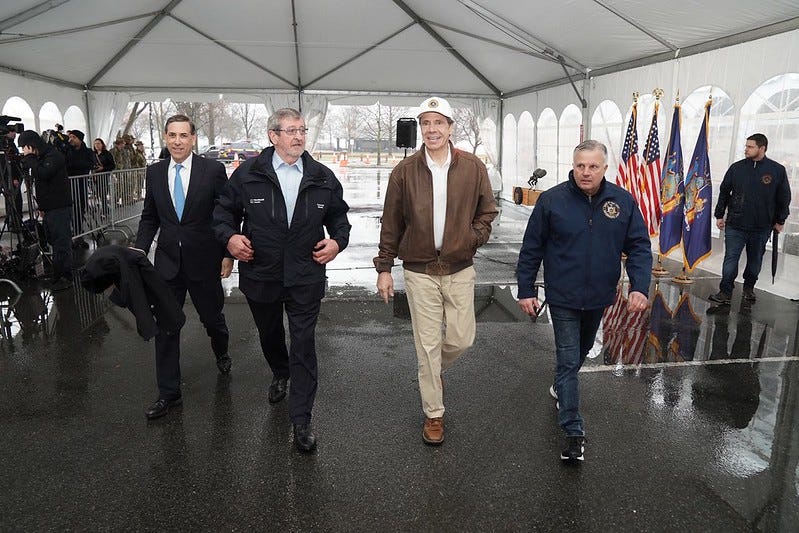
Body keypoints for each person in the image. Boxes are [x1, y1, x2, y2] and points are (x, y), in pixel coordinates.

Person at [213, 108, 351, 452]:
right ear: (273, 136)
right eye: (290, 131)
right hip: (262, 274)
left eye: (302, 130)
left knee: (303, 343)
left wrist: (336, 243)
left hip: (306, 274)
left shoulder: (321, 176)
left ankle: (301, 420)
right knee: (270, 333)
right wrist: (230, 238)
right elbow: (222, 213)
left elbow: (340, 220)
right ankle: (279, 371)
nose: (298, 137)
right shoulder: (248, 175)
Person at [516, 140, 651, 462]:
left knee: (579, 353)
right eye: (580, 165)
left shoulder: (622, 201)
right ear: (573, 165)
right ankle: (574, 431)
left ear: (605, 168)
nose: (586, 172)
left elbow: (639, 247)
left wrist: (640, 287)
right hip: (562, 296)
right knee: (567, 360)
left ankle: (561, 386)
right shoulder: (552, 201)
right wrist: (526, 290)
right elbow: (532, 248)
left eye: (593, 166)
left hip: (600, 297)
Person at [374, 96, 498, 446]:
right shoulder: (404, 172)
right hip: (419, 271)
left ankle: (433, 370)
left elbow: (487, 212)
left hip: (459, 267)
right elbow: (391, 223)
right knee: (426, 346)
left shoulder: (473, 167)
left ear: (450, 127)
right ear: (420, 129)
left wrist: (473, 238)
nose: (432, 129)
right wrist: (385, 268)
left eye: (438, 122)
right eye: (426, 123)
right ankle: (434, 414)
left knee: (462, 337)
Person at [134, 114, 233, 420]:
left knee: (212, 318)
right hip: (167, 263)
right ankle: (168, 393)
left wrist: (228, 253)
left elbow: (224, 214)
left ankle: (221, 350)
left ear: (193, 139)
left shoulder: (213, 170)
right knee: (166, 326)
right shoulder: (155, 172)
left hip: (204, 260)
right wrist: (138, 251)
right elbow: (150, 215)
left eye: (183, 136)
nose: (177, 141)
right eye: (172, 135)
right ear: (166, 138)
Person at [709, 133, 792, 305]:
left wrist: (780, 220)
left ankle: (748, 288)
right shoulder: (736, 168)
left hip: (761, 226)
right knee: (730, 259)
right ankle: (725, 292)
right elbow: (724, 191)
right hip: (735, 224)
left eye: (750, 146)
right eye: (746, 146)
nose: (746, 149)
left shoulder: (777, 170)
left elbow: (784, 198)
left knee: (755, 262)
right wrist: (719, 215)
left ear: (762, 148)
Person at [17, 130, 74, 291]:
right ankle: (58, 275)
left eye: (25, 148)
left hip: (59, 207)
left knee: (61, 243)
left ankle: (65, 277)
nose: (24, 152)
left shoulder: (53, 156)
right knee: (54, 241)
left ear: (32, 145)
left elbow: (43, 173)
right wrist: (42, 207)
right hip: (50, 208)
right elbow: (42, 184)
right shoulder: (42, 158)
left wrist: (30, 159)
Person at [65, 129, 94, 248]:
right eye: (70, 137)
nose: (71, 139)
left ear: (80, 139)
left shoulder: (87, 151)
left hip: (81, 185)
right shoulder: (66, 150)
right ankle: (71, 235)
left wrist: (74, 164)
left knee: (79, 209)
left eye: (74, 137)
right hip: (68, 185)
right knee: (68, 211)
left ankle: (78, 234)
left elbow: (88, 165)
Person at [2, 130, 24, 232]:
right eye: (11, 131)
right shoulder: (5, 144)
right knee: (13, 200)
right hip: (9, 178)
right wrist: (14, 177)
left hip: (13, 177)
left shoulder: (11, 144)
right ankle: (13, 223)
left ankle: (16, 223)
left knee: (16, 200)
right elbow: (7, 163)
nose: (14, 134)